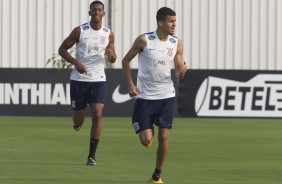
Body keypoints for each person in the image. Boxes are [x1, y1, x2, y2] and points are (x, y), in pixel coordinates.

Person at [122, 7, 187, 184]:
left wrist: (181, 71)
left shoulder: (176, 43)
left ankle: (157, 176)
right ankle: (145, 135)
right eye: (171, 21)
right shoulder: (144, 40)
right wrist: (130, 84)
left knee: (164, 137)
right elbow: (125, 60)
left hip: (166, 95)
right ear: (160, 22)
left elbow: (178, 74)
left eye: (175, 21)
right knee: (146, 139)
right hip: (145, 97)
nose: (174, 24)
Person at [58, 0, 116, 166]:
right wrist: (76, 63)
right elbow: (61, 50)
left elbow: (113, 56)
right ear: (90, 13)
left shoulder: (108, 34)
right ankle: (77, 122)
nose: (97, 12)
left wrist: (112, 56)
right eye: (94, 10)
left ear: (103, 14)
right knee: (78, 120)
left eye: (100, 10)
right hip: (79, 80)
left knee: (98, 113)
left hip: (98, 79)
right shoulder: (80, 31)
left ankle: (91, 156)